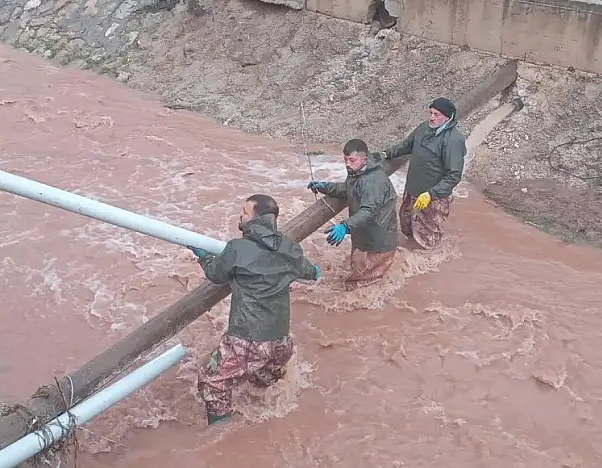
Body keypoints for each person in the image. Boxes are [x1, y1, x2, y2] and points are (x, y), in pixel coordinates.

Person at [187, 194, 320, 425]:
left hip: (247, 340)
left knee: (212, 383)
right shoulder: (291, 249)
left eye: (245, 212)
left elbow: (216, 274)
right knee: (263, 382)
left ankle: (222, 440)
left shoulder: (237, 248)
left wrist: (203, 256)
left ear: (256, 219)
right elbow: (312, 274)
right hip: (280, 342)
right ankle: (264, 428)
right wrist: (312, 270)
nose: (241, 215)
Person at [371, 97, 467, 249]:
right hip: (412, 191)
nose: (432, 118)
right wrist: (385, 154)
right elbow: (406, 146)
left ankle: (427, 265)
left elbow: (454, 175)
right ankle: (408, 252)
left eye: (437, 115)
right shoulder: (423, 128)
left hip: (433, 198)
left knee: (427, 240)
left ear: (448, 118)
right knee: (407, 228)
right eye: (431, 113)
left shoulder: (453, 140)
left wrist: (431, 194)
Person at [307, 139, 399, 290]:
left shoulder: (373, 181)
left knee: (360, 286)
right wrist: (325, 187)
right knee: (361, 275)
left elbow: (369, 211)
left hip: (378, 242)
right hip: (366, 236)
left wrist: (345, 226)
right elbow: (348, 189)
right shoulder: (357, 173)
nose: (347, 164)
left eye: (352, 160)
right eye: (345, 160)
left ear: (364, 159)